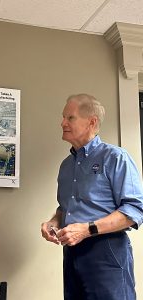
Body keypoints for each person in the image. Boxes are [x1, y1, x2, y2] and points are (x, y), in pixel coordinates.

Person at [41, 94, 143, 300]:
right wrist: (53, 221)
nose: (62, 123)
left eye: (70, 118)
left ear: (91, 122)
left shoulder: (115, 158)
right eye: (63, 117)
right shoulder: (66, 166)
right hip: (72, 253)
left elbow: (135, 210)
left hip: (107, 251)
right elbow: (65, 207)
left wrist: (88, 230)